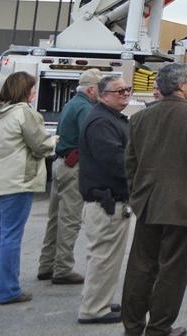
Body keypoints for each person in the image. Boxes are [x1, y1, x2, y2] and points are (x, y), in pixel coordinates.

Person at [121, 63, 187, 336]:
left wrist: (138, 194)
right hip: (182, 206)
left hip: (148, 204)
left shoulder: (140, 118)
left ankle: (132, 327)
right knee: (172, 270)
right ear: (181, 85)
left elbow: (131, 163)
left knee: (140, 268)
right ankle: (159, 327)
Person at [0, 70, 58, 304]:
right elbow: (41, 145)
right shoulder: (24, 113)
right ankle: (9, 290)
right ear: (25, 92)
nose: (34, 93)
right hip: (17, 181)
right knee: (11, 236)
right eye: (32, 90)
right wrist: (55, 140)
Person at [76, 74, 133, 324]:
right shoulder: (101, 122)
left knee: (106, 258)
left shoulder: (110, 119)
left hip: (111, 201)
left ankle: (99, 300)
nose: (125, 94)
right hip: (105, 203)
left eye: (127, 89)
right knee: (103, 258)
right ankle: (93, 309)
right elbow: (115, 161)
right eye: (119, 91)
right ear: (103, 95)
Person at [37, 67, 101, 285]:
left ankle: (46, 264)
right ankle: (63, 268)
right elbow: (91, 137)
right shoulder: (85, 108)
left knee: (55, 217)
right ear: (92, 90)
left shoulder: (71, 104)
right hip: (74, 166)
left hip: (60, 163)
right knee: (70, 219)